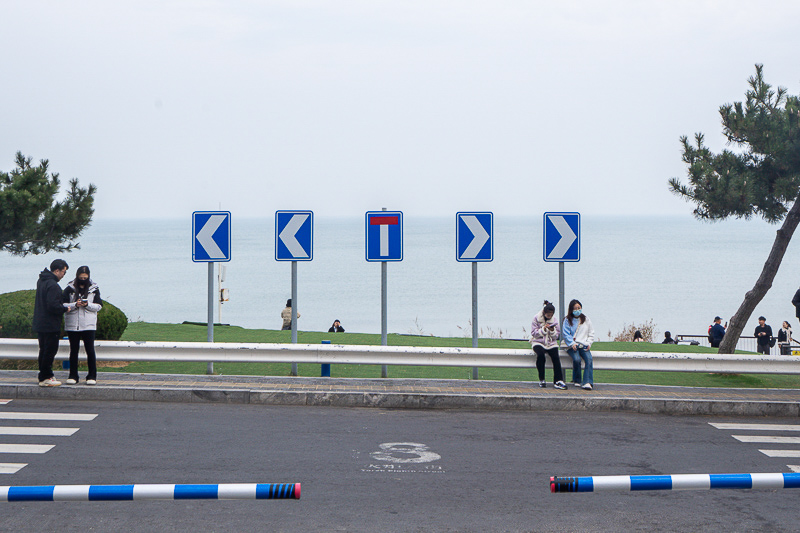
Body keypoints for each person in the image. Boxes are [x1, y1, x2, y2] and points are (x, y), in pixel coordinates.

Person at [62, 266, 102, 385]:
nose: (83, 280)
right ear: (77, 276)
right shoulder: (69, 289)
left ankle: (92, 376)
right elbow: (63, 304)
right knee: (73, 350)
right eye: (81, 278)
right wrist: (75, 304)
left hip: (88, 324)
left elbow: (99, 306)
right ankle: (73, 375)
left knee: (90, 350)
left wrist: (87, 304)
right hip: (73, 324)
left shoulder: (94, 289)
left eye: (85, 278)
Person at [32, 259, 69, 387]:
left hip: (40, 322)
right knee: (50, 351)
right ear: (57, 270)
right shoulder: (53, 285)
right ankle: (46, 376)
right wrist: (65, 308)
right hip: (50, 324)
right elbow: (53, 306)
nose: (64, 275)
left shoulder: (41, 281)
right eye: (63, 272)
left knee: (43, 350)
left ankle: (43, 375)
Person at [529, 300, 566, 390]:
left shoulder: (555, 320)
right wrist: (543, 330)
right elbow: (534, 333)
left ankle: (558, 380)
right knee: (541, 356)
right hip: (538, 342)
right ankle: (542, 379)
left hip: (551, 343)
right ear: (544, 313)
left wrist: (552, 331)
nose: (550, 317)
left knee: (556, 357)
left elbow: (557, 335)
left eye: (551, 315)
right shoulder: (536, 318)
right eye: (548, 315)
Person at [562, 299, 595, 390]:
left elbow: (591, 333)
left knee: (589, 359)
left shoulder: (586, 319)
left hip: (583, 345)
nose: (577, 310)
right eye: (575, 308)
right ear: (571, 310)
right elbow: (565, 334)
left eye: (579, 308)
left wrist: (589, 343)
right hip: (571, 345)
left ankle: (588, 382)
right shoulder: (567, 320)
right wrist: (572, 343)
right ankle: (577, 380)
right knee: (576, 359)